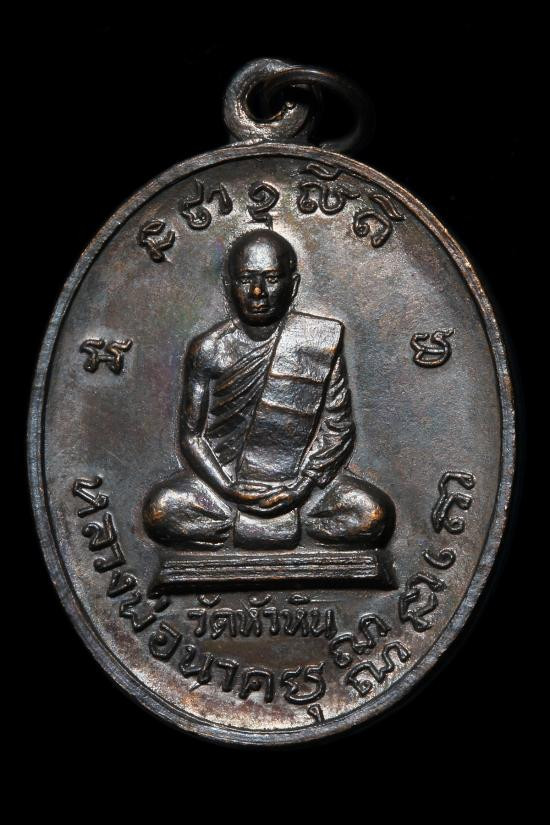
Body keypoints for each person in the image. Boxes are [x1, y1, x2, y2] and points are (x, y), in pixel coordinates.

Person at [143, 228, 394, 550]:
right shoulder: (209, 349)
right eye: (246, 279)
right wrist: (228, 488)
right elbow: (192, 437)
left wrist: (302, 487)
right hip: (223, 492)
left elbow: (338, 428)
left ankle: (260, 529)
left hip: (304, 492)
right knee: (161, 511)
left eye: (271, 278)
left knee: (372, 515)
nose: (258, 292)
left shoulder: (318, 341)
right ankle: (276, 530)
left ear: (294, 286)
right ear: (228, 287)